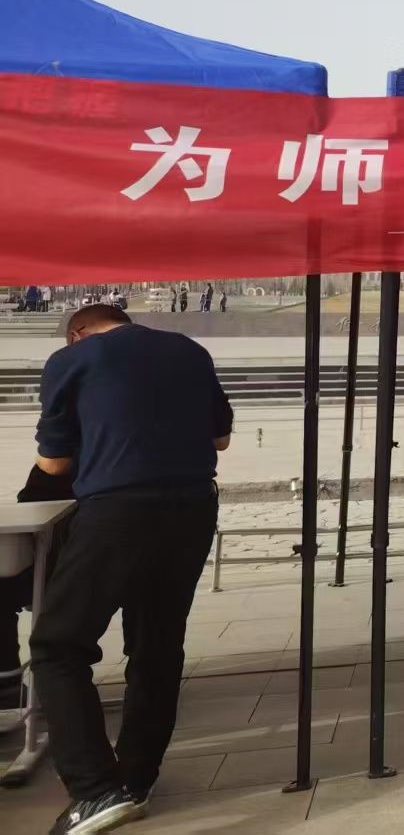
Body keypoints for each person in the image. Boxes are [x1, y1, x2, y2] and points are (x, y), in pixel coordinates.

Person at [29, 305, 233, 833]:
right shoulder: (190, 350)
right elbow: (220, 439)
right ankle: (136, 778)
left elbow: (54, 463)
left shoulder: (71, 360)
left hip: (118, 510)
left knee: (58, 646)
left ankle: (95, 789)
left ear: (78, 334)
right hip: (194, 506)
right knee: (157, 643)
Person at [0, 461, 77, 714]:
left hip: (64, 570)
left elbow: (53, 465)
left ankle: (8, 684)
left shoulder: (62, 457)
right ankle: (8, 684)